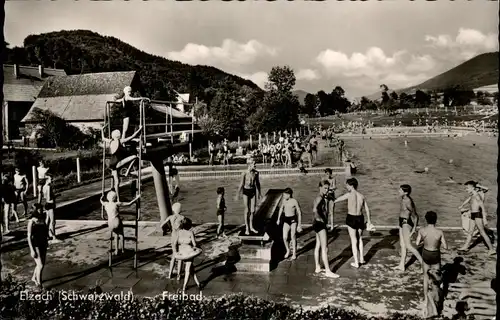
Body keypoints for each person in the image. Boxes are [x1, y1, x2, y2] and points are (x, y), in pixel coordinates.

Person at [333, 178, 373, 268]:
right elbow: (367, 209)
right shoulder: (361, 196)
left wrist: (331, 200)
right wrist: (369, 221)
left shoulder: (349, 195)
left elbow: (337, 199)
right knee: (360, 239)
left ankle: (356, 262)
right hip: (360, 218)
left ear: (351, 186)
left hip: (351, 218)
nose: (346, 187)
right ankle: (362, 259)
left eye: (347, 185)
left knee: (353, 240)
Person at [416, 211, 448, 318]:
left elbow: (417, 243)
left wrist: (424, 242)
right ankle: (438, 297)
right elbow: (445, 246)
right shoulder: (439, 232)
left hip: (426, 253)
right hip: (435, 254)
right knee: (437, 278)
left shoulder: (422, 230)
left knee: (426, 277)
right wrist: (437, 243)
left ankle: (426, 298)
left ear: (426, 219)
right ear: (436, 220)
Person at [102, 127, 142, 202]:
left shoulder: (110, 141)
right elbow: (132, 136)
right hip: (118, 163)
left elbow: (103, 138)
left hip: (111, 164)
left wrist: (102, 130)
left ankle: (118, 198)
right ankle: (127, 171)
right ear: (119, 136)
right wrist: (139, 129)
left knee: (117, 182)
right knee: (135, 157)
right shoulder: (120, 141)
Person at [459, 181, 495, 255]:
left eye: (467, 188)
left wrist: (484, 218)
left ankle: (491, 249)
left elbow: (482, 207)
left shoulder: (477, 196)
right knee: (470, 231)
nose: (466, 189)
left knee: (482, 232)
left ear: (472, 188)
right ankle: (465, 247)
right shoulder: (472, 195)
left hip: (478, 215)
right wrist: (462, 205)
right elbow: (468, 200)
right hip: (473, 214)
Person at [312, 180, 339, 278]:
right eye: (325, 188)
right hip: (320, 224)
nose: (327, 190)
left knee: (318, 245)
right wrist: (319, 218)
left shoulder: (320, 197)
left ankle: (317, 267)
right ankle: (328, 271)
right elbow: (314, 210)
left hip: (316, 224)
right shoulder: (319, 198)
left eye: (328, 188)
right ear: (320, 187)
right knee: (325, 248)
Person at [394, 184, 423, 271]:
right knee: (402, 245)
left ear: (405, 192)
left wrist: (414, 228)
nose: (398, 191)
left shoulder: (408, 202)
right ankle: (401, 265)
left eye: (400, 190)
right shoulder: (403, 199)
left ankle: (423, 264)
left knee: (408, 246)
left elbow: (415, 216)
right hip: (401, 221)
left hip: (406, 223)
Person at [100, 190, 139, 255]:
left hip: (110, 223)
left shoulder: (105, 204)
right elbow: (129, 204)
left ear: (107, 198)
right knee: (121, 235)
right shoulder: (117, 204)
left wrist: (101, 198)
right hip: (116, 221)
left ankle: (116, 250)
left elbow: (101, 201)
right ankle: (123, 249)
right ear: (115, 198)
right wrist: (137, 198)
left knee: (115, 235)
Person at [173, 218, 201, 292]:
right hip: (189, 253)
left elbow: (175, 243)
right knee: (188, 270)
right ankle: (184, 287)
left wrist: (176, 252)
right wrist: (197, 247)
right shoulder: (190, 233)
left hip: (182, 253)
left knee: (191, 269)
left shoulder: (179, 232)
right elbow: (194, 244)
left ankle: (198, 283)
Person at [236, 158, 261, 235]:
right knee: (247, 210)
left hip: (253, 192)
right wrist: (237, 194)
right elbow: (241, 184)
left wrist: (259, 193)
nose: (255, 165)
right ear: (250, 165)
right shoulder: (244, 173)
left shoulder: (256, 173)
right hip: (246, 192)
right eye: (254, 164)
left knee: (253, 211)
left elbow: (258, 183)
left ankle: (251, 226)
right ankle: (247, 227)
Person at [276, 188, 303, 260]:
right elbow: (281, 209)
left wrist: (299, 225)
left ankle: (294, 253)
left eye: (284, 194)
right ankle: (288, 250)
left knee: (293, 236)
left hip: (293, 220)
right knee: (284, 237)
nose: (283, 196)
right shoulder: (284, 201)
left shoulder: (294, 201)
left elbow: (299, 212)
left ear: (289, 194)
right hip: (286, 219)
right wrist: (278, 219)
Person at [161, 202, 185, 279]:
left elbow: (162, 224)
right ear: (180, 210)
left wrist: (168, 228)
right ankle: (178, 274)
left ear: (173, 209)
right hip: (180, 237)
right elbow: (187, 226)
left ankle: (170, 274)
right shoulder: (182, 217)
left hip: (173, 237)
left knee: (174, 256)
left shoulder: (170, 217)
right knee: (180, 256)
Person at [27, 203, 48, 288]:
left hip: (43, 242)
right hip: (36, 245)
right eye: (39, 209)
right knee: (40, 265)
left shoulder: (42, 218)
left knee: (40, 263)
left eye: (42, 209)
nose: (41, 210)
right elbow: (28, 237)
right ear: (35, 210)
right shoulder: (31, 222)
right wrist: (32, 250)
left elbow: (45, 230)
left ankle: (33, 277)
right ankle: (39, 285)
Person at [38, 174, 60, 243]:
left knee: (47, 221)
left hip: (47, 204)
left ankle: (46, 235)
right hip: (50, 204)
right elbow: (49, 198)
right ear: (47, 180)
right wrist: (56, 195)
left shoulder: (44, 187)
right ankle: (54, 237)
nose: (52, 180)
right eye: (51, 179)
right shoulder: (48, 187)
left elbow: (45, 197)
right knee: (53, 221)